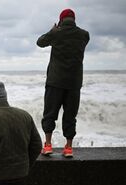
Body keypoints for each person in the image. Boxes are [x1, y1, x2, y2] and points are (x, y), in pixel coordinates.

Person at [37, 8, 90, 158]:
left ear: (61, 20)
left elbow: (40, 42)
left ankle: (47, 145)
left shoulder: (56, 33)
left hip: (55, 81)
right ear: (74, 20)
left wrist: (53, 31)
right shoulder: (84, 35)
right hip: (74, 83)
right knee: (70, 115)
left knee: (50, 114)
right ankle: (68, 148)